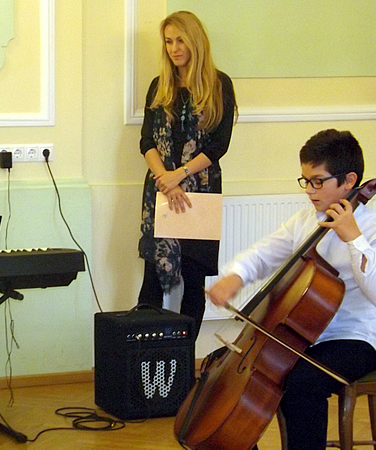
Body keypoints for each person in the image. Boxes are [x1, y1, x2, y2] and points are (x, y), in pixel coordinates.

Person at [206, 129, 376, 449]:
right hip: (302, 336)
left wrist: (354, 239)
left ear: (349, 180)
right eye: (306, 181)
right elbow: (264, 253)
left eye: (318, 181)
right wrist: (235, 276)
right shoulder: (305, 221)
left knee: (301, 383)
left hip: (354, 338)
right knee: (220, 364)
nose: (309, 190)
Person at [137, 11, 237, 340]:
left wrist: (178, 175)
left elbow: (218, 145)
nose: (174, 48)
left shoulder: (219, 84)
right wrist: (166, 180)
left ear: (196, 42)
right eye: (168, 42)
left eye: (180, 40)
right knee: (153, 279)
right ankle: (147, 356)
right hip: (161, 192)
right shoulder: (159, 86)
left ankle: (183, 357)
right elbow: (146, 142)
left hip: (200, 193)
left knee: (194, 280)